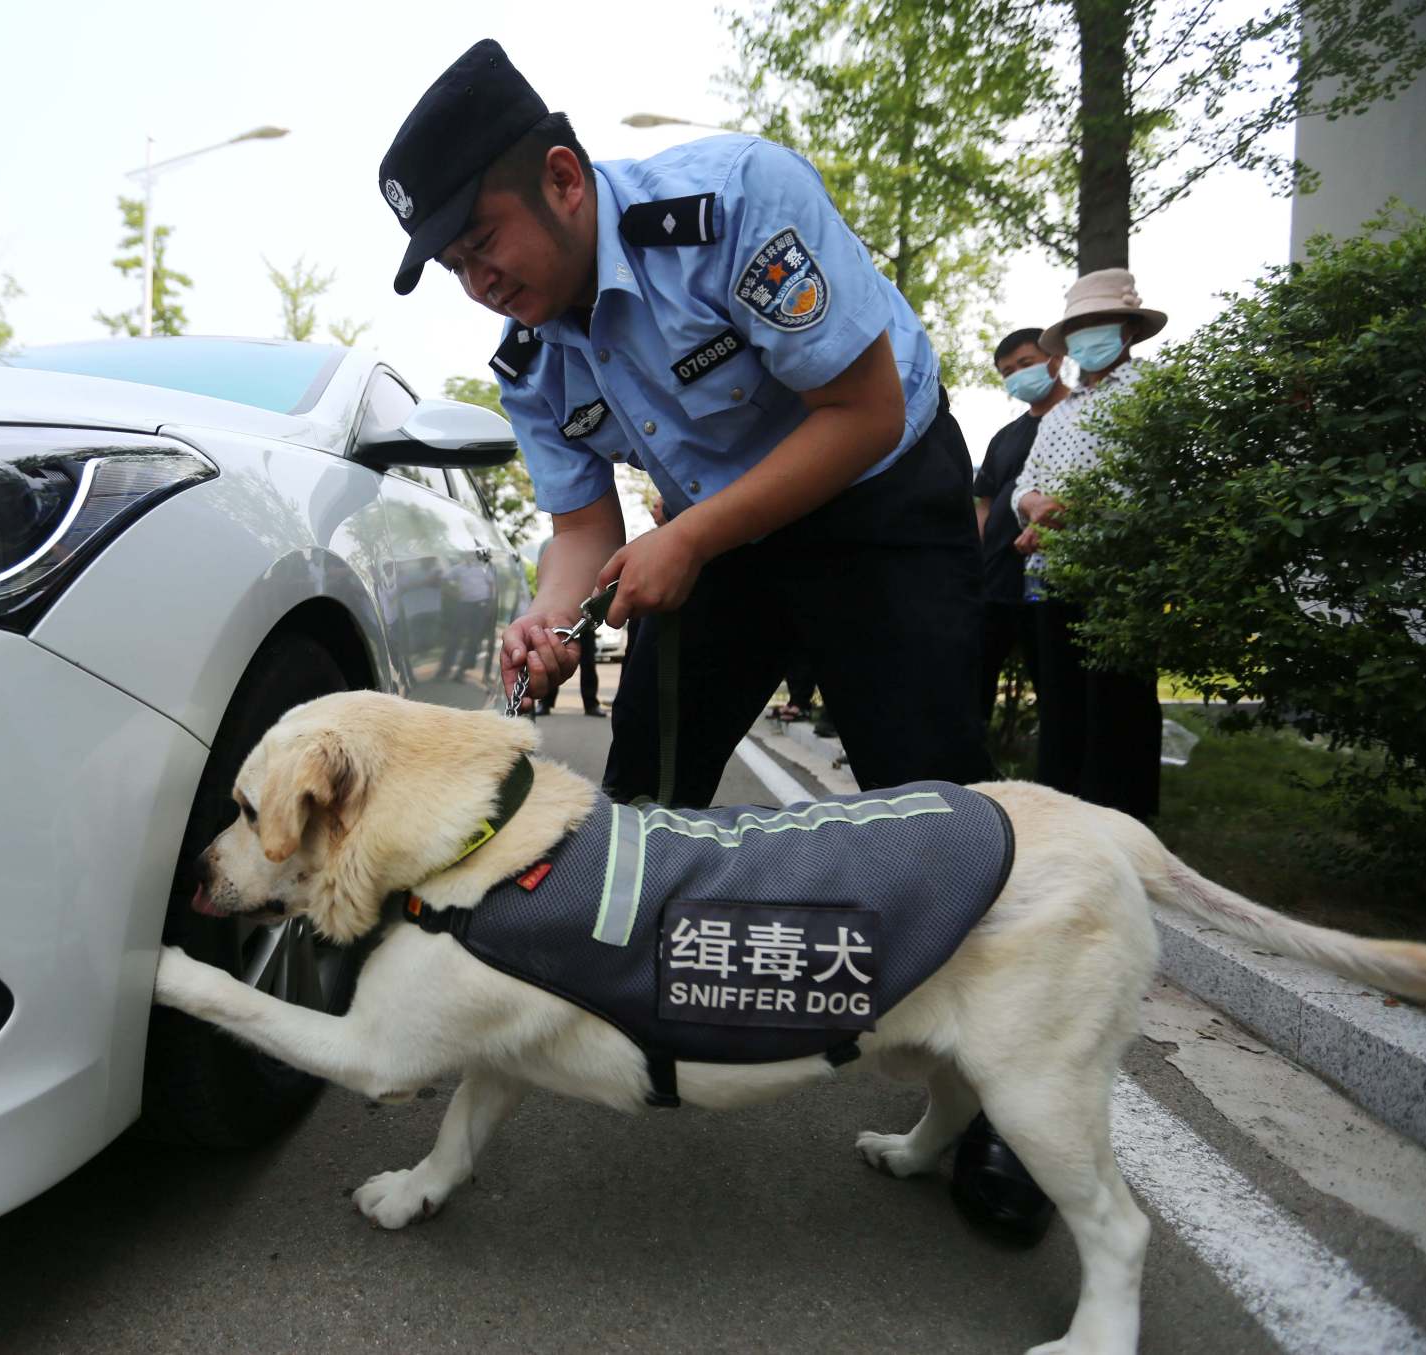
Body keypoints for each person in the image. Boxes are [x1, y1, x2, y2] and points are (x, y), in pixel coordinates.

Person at [378, 39, 1042, 1245]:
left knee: (936, 798)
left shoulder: (733, 204)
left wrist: (689, 538)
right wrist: (548, 613)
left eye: (485, 243)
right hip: (723, 532)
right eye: (454, 266)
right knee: (638, 794)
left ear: (565, 181)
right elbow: (580, 526)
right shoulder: (528, 358)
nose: (480, 282)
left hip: (875, 493)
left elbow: (862, 411)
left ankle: (1003, 1104)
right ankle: (621, 1010)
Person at [1011, 269, 1166, 821]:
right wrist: (1032, 506)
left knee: (1119, 702)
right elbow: (1026, 481)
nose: (1089, 337)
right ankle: (1062, 814)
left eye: (1100, 324)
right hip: (1053, 576)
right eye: (1079, 327)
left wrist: (1066, 513)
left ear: (1127, 329)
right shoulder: (1062, 411)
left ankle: (1121, 821)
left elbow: (1146, 482)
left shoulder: (1154, 393)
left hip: (1120, 574)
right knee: (1061, 698)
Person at [974, 328, 1066, 724]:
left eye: (1025, 364)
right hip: (995, 583)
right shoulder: (1005, 437)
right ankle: (965, 779)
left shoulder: (1076, 420)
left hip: (1049, 586)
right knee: (972, 683)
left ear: (1055, 360)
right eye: (1007, 371)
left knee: (1057, 691)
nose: (1017, 376)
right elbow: (985, 503)